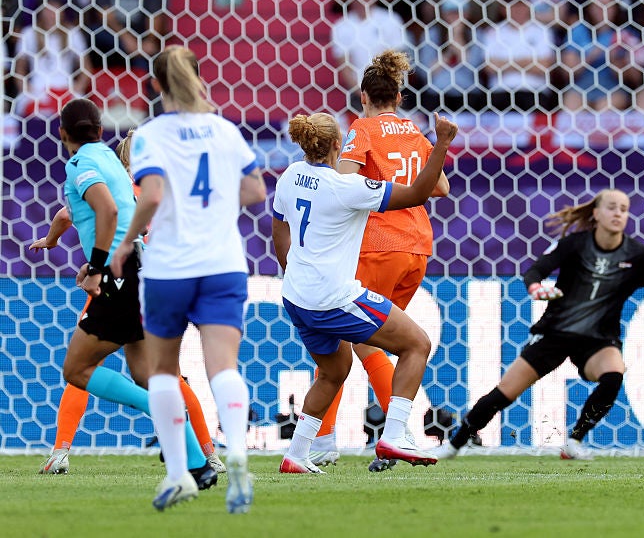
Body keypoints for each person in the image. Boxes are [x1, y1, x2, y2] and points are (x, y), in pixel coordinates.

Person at [434, 189, 644, 461]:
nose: (618, 213)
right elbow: (537, 269)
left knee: (614, 374)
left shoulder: (637, 256)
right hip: (554, 334)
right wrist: (536, 288)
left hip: (598, 340)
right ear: (596, 214)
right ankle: (455, 444)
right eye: (611, 207)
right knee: (505, 393)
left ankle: (574, 441)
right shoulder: (574, 245)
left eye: (624, 209)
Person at [110, 46, 266, 513]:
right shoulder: (225, 130)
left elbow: (153, 192)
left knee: (161, 370)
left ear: (156, 85)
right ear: (198, 79)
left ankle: (179, 474)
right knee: (223, 366)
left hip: (171, 267)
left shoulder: (150, 135)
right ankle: (237, 451)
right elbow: (256, 190)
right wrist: (216, 210)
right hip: (223, 263)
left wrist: (125, 242)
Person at [37, 101, 221, 487]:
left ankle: (170, 435)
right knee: (148, 376)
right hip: (143, 270)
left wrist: (99, 268)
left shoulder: (80, 165)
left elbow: (107, 211)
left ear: (62, 133)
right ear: (101, 130)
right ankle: (199, 463)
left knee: (76, 369)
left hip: (121, 277)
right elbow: (118, 215)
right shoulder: (108, 158)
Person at [271, 110, 457, 473]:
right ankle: (395, 435)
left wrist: (291, 271)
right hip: (334, 299)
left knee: (333, 370)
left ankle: (296, 453)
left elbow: (279, 228)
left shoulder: (290, 176)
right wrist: (442, 144)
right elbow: (420, 193)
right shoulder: (347, 188)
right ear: (338, 146)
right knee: (416, 344)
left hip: (296, 296)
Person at [305, 50, 450, 471]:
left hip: (378, 245)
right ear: (401, 96)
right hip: (418, 247)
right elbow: (438, 186)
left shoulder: (362, 128)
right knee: (381, 340)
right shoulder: (415, 133)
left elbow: (343, 180)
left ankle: (330, 440)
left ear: (363, 94)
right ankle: (395, 434)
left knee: (342, 339)